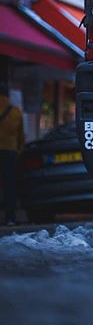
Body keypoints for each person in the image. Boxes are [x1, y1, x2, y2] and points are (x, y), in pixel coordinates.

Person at [0, 82, 25, 226]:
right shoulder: (15, 111)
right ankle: (10, 217)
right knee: (9, 185)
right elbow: (21, 136)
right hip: (10, 153)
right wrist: (18, 150)